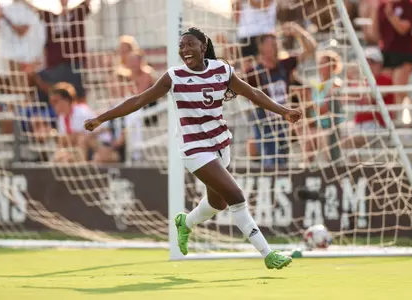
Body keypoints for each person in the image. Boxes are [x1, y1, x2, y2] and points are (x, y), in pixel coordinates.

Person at [84, 27, 301, 269]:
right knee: (236, 197)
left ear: (203, 45)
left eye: (190, 44)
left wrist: (284, 112)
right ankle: (268, 254)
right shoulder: (173, 76)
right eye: (182, 46)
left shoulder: (222, 70)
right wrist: (101, 118)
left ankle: (185, 223)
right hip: (194, 149)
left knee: (217, 204)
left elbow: (252, 93)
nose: (185, 50)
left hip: (220, 143)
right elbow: (138, 100)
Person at [245, 22, 317, 167]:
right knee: (270, 161)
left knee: (283, 161)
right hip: (264, 123)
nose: (276, 47)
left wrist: (298, 31)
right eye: (272, 44)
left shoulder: (285, 64)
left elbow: (311, 49)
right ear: (262, 47)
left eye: (277, 43)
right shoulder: (253, 73)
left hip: (283, 120)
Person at [344, 47, 394, 153]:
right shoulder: (362, 81)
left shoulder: (385, 79)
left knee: (348, 140)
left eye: (372, 62)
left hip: (377, 125)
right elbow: (346, 99)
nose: (369, 66)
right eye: (366, 62)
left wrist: (356, 86)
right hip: (360, 125)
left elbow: (368, 98)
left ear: (380, 64)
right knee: (335, 135)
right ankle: (352, 166)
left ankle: (353, 166)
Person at [371, 0, 412, 106]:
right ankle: (391, 119)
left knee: (399, 90)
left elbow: (403, 29)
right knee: (386, 91)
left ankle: (406, 120)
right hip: (386, 53)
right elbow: (374, 34)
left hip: (403, 52)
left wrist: (391, 14)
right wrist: (373, 11)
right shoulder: (381, 6)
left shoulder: (409, 5)